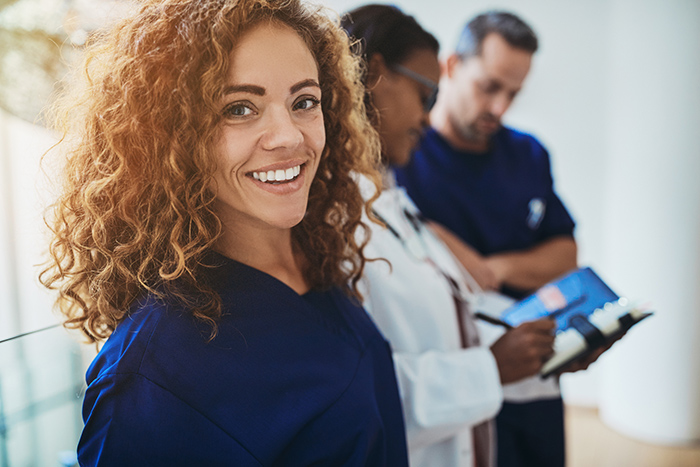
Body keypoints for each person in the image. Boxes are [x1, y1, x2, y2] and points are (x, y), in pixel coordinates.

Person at [40, 0, 409, 465]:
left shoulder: (315, 260)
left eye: (304, 102)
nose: (289, 136)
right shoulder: (155, 376)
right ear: (172, 134)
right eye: (239, 108)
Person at [341, 6, 558, 467]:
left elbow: (447, 321)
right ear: (374, 73)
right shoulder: (337, 221)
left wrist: (534, 354)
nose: (428, 114)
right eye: (425, 94)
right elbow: (355, 393)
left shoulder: (391, 197)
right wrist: (490, 368)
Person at [395, 11, 578, 467]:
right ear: (452, 67)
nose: (500, 108)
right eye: (490, 87)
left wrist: (493, 269)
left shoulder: (528, 154)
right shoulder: (401, 158)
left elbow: (565, 253)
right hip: (454, 386)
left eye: (513, 93)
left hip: (536, 381)